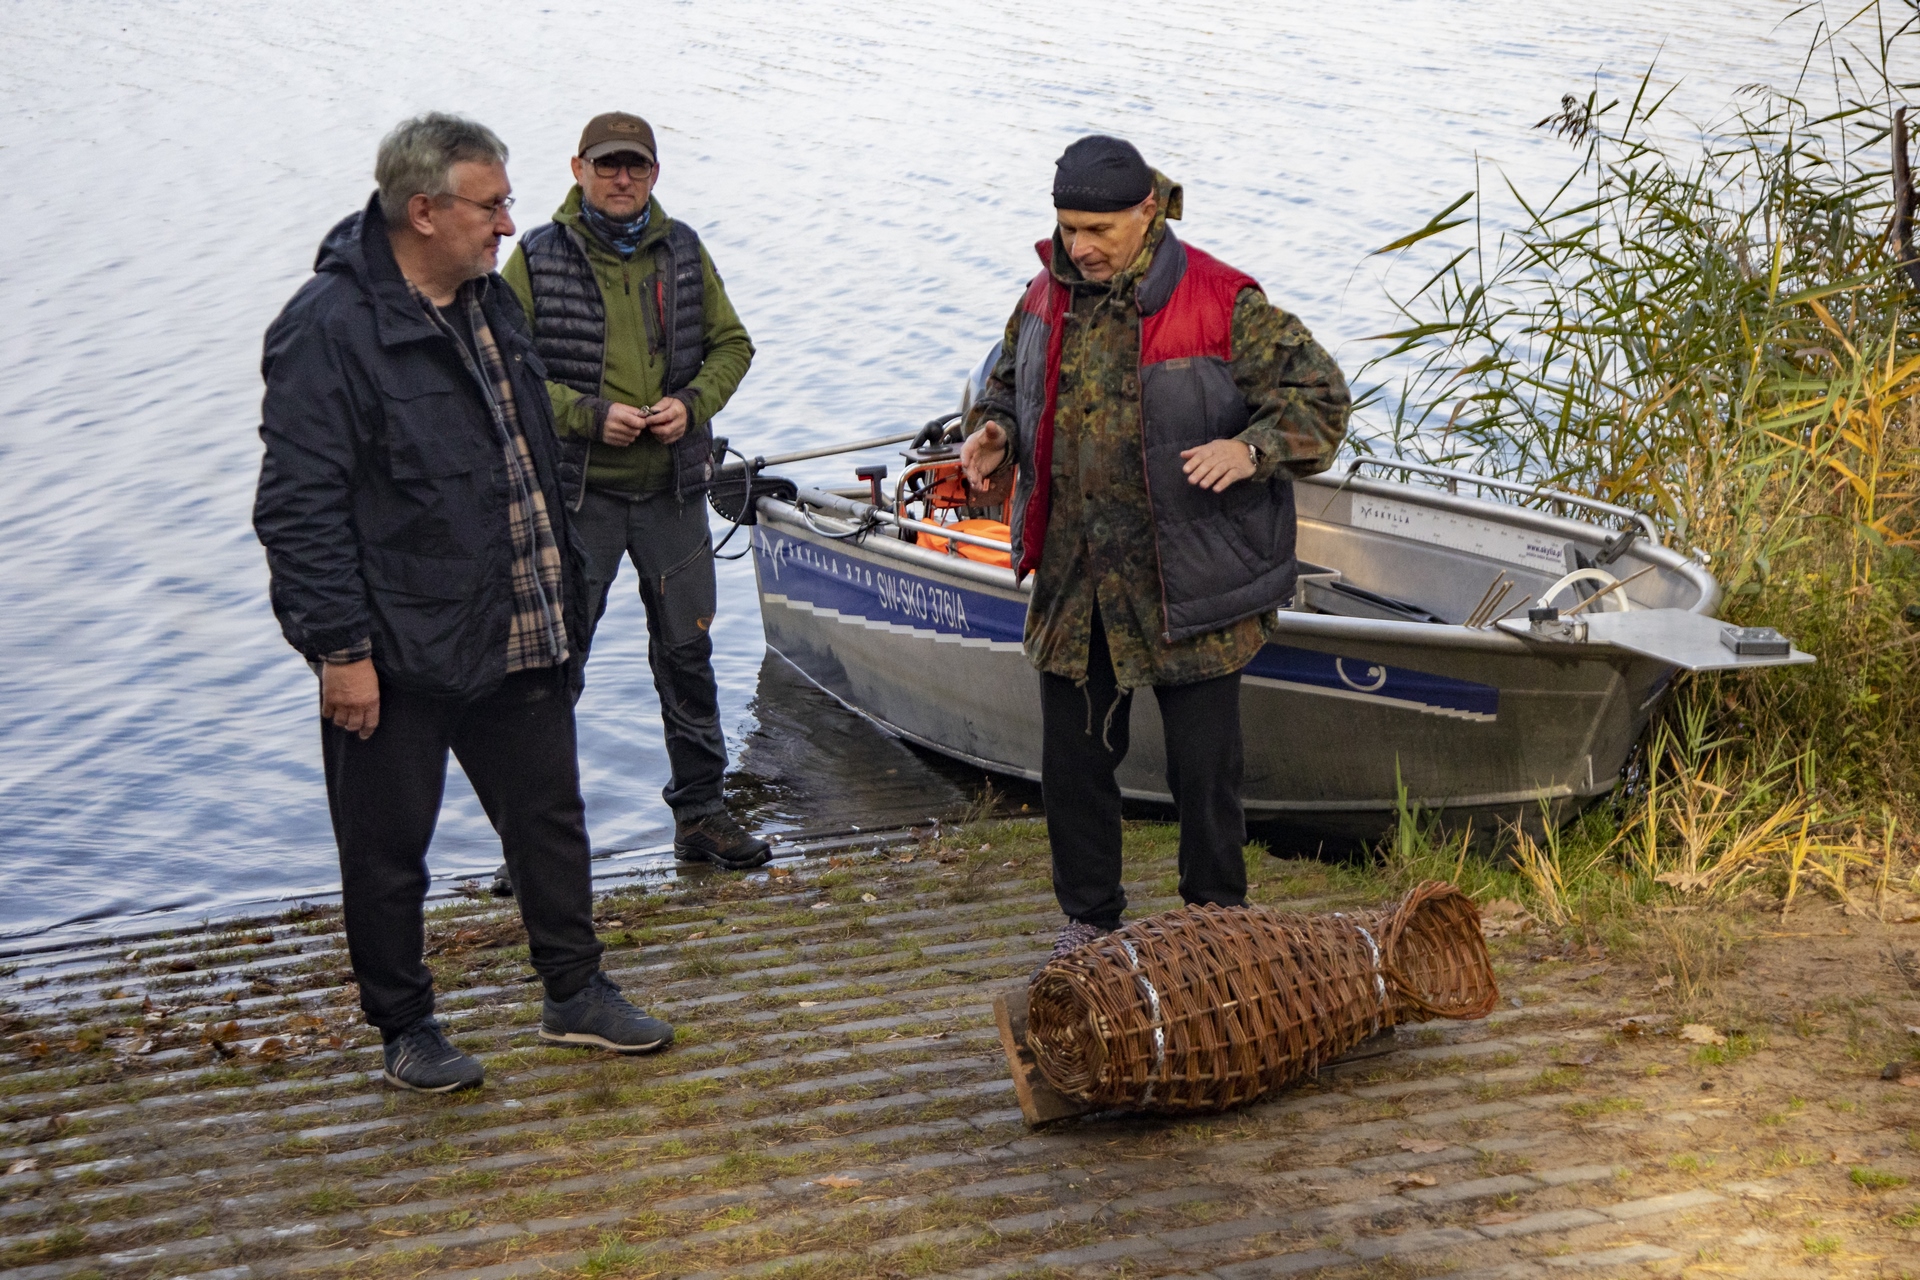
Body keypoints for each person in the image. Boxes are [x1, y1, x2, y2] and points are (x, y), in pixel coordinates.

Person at [253, 113, 676, 1093]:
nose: (508, 224)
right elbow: (297, 510)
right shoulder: (329, 328)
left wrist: (564, 592)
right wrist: (339, 649)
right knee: (387, 850)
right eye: (491, 206)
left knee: (551, 821)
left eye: (506, 203)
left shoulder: (492, 302)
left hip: (519, 621)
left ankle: (575, 993)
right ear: (423, 211)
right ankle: (406, 1027)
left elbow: (530, 454)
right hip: (397, 645)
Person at [960, 135, 1351, 956]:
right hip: (1076, 583)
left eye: (1097, 230)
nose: (1079, 247)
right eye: (1069, 228)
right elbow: (1005, 385)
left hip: (1191, 582)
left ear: (1148, 210)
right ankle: (1089, 923)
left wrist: (1252, 450)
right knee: (1074, 769)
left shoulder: (1224, 301)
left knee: (1205, 774)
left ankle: (1216, 926)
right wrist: (995, 431)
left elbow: (1322, 399)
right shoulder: (1042, 297)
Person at [502, 112, 768, 872]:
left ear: (654, 173)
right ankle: (533, 844)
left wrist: (692, 403)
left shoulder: (683, 248)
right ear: (578, 168)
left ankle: (702, 816)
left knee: (689, 655)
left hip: (673, 494)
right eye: (608, 165)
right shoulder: (536, 256)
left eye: (636, 166)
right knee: (555, 666)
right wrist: (586, 416)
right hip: (576, 500)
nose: (622, 179)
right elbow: (508, 368)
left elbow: (733, 345)